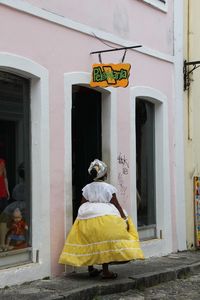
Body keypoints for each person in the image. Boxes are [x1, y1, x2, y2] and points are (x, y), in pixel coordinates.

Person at [59, 159, 144, 279]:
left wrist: (80, 216)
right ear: (104, 174)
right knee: (104, 244)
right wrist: (124, 218)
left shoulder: (87, 188)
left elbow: (83, 203)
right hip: (106, 218)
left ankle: (91, 268)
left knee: (90, 241)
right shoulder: (109, 188)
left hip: (88, 217)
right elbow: (116, 204)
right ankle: (105, 271)